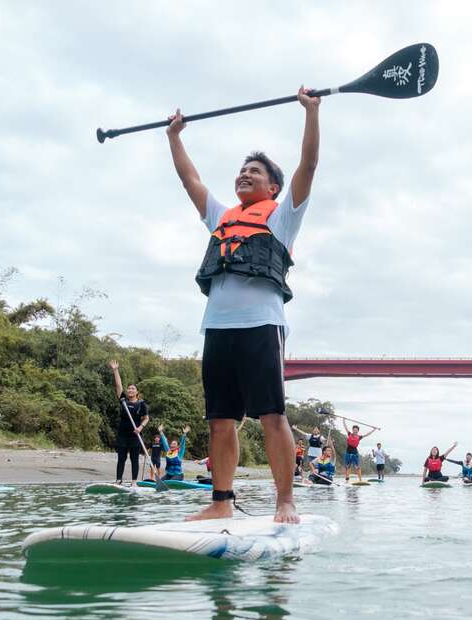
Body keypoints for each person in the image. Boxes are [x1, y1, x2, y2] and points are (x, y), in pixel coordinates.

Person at [166, 85, 321, 523]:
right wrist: (174, 137)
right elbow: (189, 180)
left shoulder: (283, 215)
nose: (244, 174)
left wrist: (310, 112)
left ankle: (285, 500)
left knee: (273, 415)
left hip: (261, 325)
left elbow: (308, 163)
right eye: (241, 170)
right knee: (220, 420)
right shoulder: (221, 217)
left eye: (254, 171)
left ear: (273, 185)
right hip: (217, 328)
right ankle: (221, 502)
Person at [109, 360, 148, 487]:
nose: (130, 390)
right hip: (122, 435)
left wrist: (140, 427)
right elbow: (119, 386)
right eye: (129, 388)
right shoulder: (123, 400)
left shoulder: (141, 404)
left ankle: (134, 482)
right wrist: (115, 370)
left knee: (134, 459)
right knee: (121, 458)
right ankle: (118, 481)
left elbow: (146, 418)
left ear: (137, 392)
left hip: (135, 436)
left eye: (133, 388)